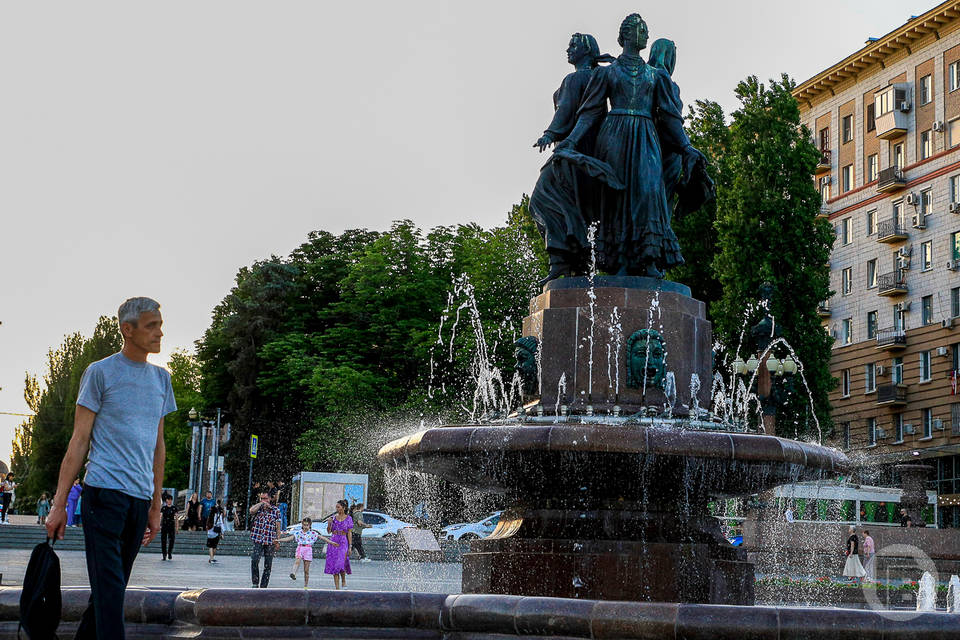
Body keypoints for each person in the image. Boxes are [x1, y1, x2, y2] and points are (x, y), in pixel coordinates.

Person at [45, 296, 175, 640]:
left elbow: (157, 446)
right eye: (152, 326)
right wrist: (59, 505)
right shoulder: (100, 373)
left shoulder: (162, 380)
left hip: (137, 500)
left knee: (108, 592)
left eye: (160, 325)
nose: (160, 333)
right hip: (103, 495)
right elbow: (79, 440)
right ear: (127, 330)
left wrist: (155, 503)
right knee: (111, 590)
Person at [556, 13, 711, 277]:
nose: (646, 36)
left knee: (649, 191)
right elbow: (590, 112)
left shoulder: (655, 75)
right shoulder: (608, 73)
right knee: (616, 198)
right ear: (626, 35)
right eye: (641, 30)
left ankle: (649, 258)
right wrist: (568, 140)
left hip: (645, 137)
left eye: (646, 31)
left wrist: (686, 147)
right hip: (614, 136)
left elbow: (671, 117)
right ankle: (621, 263)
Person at [530, 32, 615, 282]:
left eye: (573, 45)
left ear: (587, 51)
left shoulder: (576, 78)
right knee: (580, 208)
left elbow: (567, 110)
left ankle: (561, 262)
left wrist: (550, 134)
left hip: (573, 150)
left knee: (541, 200)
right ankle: (576, 263)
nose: (568, 49)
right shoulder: (596, 76)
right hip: (592, 148)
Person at [279, 517, 336, 589]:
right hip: (300, 547)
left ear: (310, 525)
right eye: (304, 525)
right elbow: (289, 538)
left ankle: (305, 585)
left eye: (307, 525)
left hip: (308, 549)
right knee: (297, 560)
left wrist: (331, 542)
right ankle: (293, 573)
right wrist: (279, 540)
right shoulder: (298, 533)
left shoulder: (312, 533)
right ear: (302, 525)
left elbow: (322, 538)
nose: (305, 527)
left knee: (306, 570)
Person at [249, 491, 282, 588]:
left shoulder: (275, 510)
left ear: (270, 499)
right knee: (254, 560)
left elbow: (278, 528)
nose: (264, 501)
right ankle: (255, 582)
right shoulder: (258, 509)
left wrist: (277, 541)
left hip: (270, 540)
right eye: (262, 498)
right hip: (258, 539)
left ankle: (264, 586)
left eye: (265, 498)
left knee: (268, 565)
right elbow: (251, 511)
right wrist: (260, 504)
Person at [325, 499, 353, 589]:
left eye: (338, 507)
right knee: (334, 564)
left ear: (344, 508)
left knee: (341, 562)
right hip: (334, 540)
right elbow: (329, 531)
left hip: (343, 541)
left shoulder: (348, 518)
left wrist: (350, 546)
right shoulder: (333, 518)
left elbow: (349, 532)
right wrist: (329, 523)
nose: (337, 509)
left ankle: (343, 581)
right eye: (336, 507)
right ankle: (337, 588)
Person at [160, 493, 178, 561]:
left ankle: (169, 552)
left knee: (172, 540)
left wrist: (177, 527)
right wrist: (159, 525)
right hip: (164, 525)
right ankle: (164, 554)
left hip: (171, 525)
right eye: (168, 499)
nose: (170, 501)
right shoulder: (163, 508)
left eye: (171, 500)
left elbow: (176, 518)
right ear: (166, 500)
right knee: (163, 540)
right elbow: (160, 516)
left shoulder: (174, 508)